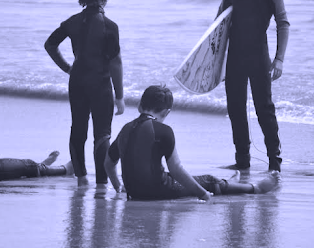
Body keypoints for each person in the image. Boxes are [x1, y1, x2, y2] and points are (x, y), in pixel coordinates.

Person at [104, 85, 278, 201]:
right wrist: (202, 194)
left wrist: (120, 187)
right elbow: (177, 170)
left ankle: (230, 182)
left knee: (183, 178)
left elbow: (109, 163)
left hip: (134, 193)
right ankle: (255, 189)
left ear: (140, 107)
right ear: (167, 112)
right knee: (208, 181)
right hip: (157, 191)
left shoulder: (126, 128)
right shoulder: (164, 131)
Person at [216, 0, 290, 172]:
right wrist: (215, 66)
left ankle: (274, 161)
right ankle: (242, 160)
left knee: (264, 109)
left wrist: (279, 59)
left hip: (259, 58)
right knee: (235, 109)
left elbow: (283, 23)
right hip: (235, 59)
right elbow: (218, 29)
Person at [45, 0, 125, 187]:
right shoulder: (110, 26)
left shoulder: (71, 22)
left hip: (77, 81)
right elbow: (115, 62)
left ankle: (81, 178)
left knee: (78, 128)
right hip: (100, 84)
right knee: (102, 133)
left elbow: (50, 45)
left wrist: (68, 68)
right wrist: (119, 96)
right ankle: (101, 183)